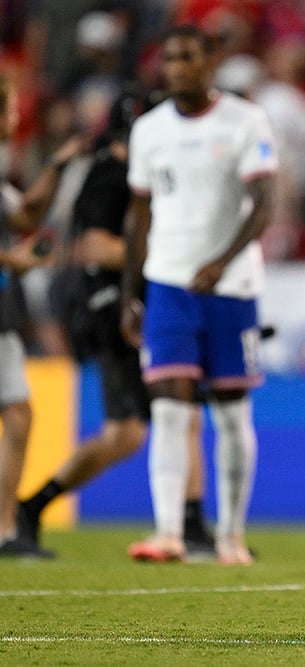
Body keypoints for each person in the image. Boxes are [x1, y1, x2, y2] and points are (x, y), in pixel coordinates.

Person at [16, 89, 216, 558]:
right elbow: (95, 246)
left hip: (145, 305)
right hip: (113, 311)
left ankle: (190, 525)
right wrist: (171, 256)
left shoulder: (147, 173)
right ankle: (34, 505)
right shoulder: (111, 175)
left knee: (165, 415)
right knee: (137, 427)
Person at [121, 25, 277, 565]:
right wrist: (130, 294)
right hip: (167, 285)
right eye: (168, 59)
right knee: (169, 412)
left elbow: (263, 204)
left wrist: (222, 261)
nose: (175, 68)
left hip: (231, 289)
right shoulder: (148, 129)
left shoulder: (245, 120)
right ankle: (169, 534)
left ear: (211, 59)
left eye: (187, 57)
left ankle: (231, 535)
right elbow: (138, 215)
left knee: (231, 415)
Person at [0, 73, 85, 557]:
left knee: (19, 414)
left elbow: (25, 217)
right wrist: (13, 260)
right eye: (9, 109)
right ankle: (6, 526)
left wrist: (55, 165)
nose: (15, 119)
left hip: (4, 316)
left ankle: (7, 527)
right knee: (17, 414)